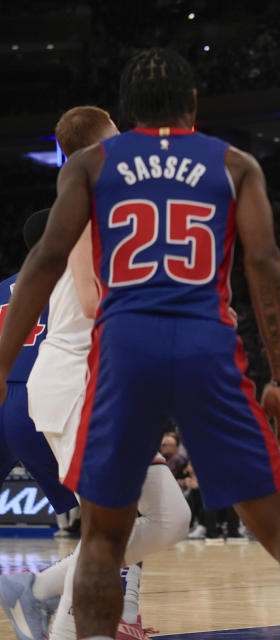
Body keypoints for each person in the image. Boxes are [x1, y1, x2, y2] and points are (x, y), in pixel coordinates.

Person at [0, 49, 280, 640]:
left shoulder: (90, 167)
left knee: (102, 539)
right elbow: (265, 265)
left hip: (125, 349)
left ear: (131, 112)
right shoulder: (234, 162)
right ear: (192, 105)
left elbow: (42, 260)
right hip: (206, 345)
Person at [3, 108, 192, 640]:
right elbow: (92, 299)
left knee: (170, 518)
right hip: (73, 382)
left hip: (102, 383)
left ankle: (36, 590)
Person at [0, 215, 82, 640]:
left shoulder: (4, 286)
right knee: (117, 512)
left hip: (3, 390)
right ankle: (57, 600)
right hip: (41, 397)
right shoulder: (73, 279)